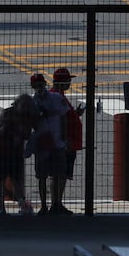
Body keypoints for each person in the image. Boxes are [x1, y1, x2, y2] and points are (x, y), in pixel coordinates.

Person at [0, 93, 35, 216]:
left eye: (27, 107)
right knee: (0, 179)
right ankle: (1, 207)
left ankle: (22, 204)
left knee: (16, 179)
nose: (25, 109)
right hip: (0, 149)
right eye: (23, 106)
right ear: (17, 104)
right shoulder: (7, 114)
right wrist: (11, 128)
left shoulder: (27, 116)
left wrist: (22, 132)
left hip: (15, 150)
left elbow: (28, 135)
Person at [29, 73, 70, 215]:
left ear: (45, 84)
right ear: (33, 87)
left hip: (57, 142)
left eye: (41, 85)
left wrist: (64, 138)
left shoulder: (57, 98)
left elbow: (64, 118)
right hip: (42, 144)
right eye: (36, 86)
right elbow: (30, 124)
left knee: (58, 174)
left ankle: (56, 203)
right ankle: (43, 205)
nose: (39, 88)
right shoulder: (32, 103)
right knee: (42, 176)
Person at [50, 68, 85, 215]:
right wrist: (65, 140)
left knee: (60, 174)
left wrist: (76, 114)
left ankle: (57, 203)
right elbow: (59, 120)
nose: (70, 83)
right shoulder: (57, 96)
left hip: (66, 142)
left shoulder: (59, 95)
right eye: (68, 80)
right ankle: (56, 203)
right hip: (64, 143)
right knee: (60, 174)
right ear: (62, 82)